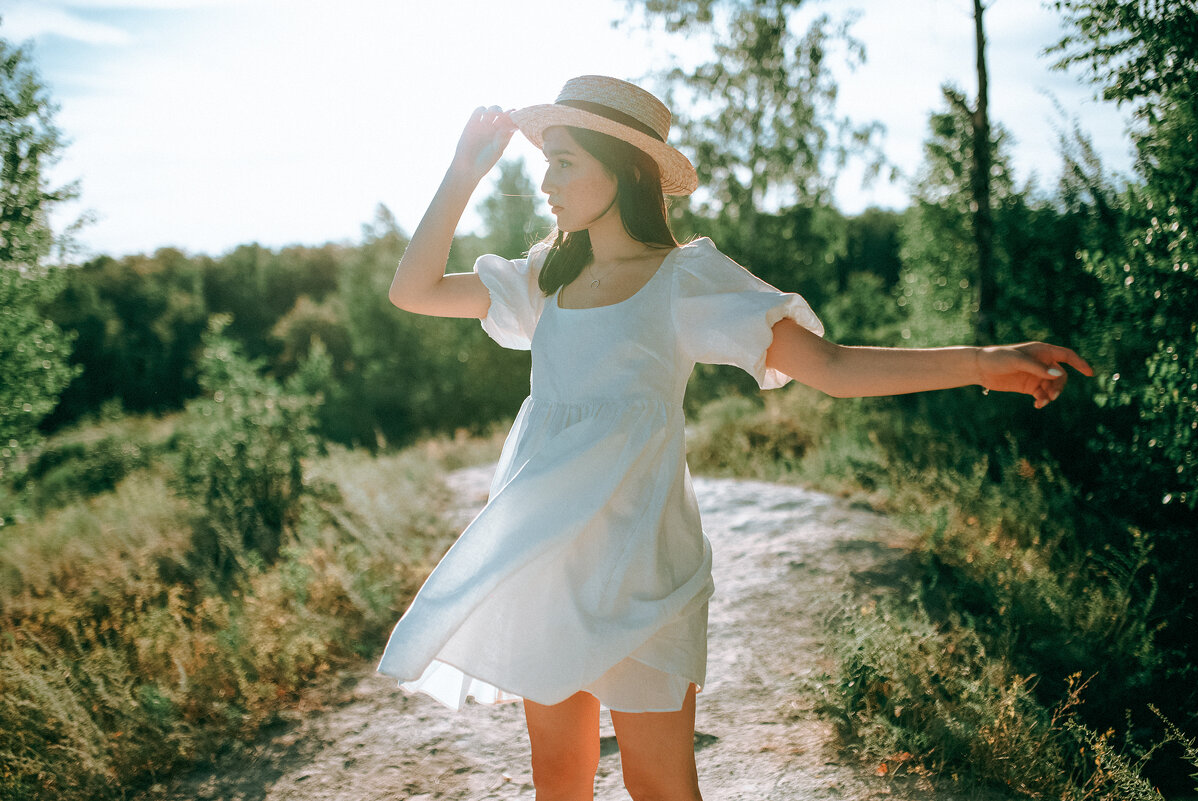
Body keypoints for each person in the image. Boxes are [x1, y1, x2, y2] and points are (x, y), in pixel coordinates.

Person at [377, 75, 1092, 801]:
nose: (545, 181)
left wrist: (979, 363)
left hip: (646, 572)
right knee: (559, 784)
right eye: (546, 160)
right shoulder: (545, 281)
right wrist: (464, 172)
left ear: (623, 169)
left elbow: (834, 367)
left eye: (564, 161)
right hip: (549, 565)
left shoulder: (685, 281)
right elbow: (414, 290)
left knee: (660, 785)